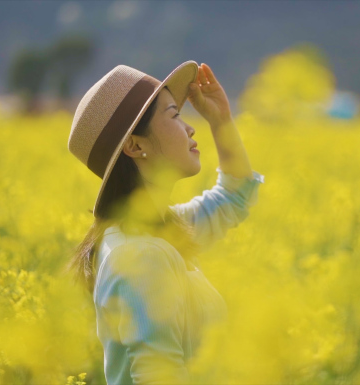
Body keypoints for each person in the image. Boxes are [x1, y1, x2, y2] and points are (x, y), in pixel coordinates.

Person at [66, 61, 265, 384]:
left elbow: (234, 197)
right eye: (174, 116)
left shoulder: (157, 231)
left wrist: (221, 120)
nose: (190, 128)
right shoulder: (141, 256)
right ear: (135, 145)